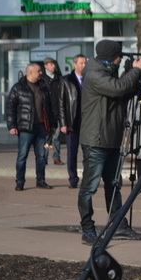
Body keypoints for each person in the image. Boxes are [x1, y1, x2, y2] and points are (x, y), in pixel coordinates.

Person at [78, 40, 141, 245]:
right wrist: (135, 71)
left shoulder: (107, 73)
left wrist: (135, 83)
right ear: (112, 57)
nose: (121, 60)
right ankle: (88, 229)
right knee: (89, 188)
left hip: (111, 139)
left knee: (113, 185)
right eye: (119, 56)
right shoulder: (94, 74)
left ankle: (118, 225)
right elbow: (117, 88)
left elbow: (120, 95)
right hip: (96, 140)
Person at [7, 63, 56, 191]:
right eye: (39, 71)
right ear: (30, 73)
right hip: (25, 128)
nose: (41, 73)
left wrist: (53, 124)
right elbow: (10, 107)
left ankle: (41, 180)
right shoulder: (18, 88)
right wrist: (12, 125)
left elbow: (49, 108)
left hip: (41, 127)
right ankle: (20, 181)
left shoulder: (43, 87)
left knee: (41, 156)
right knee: (22, 155)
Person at [58, 54, 86, 189]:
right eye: (81, 63)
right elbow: (61, 103)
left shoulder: (90, 79)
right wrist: (63, 122)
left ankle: (88, 178)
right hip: (72, 120)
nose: (84, 65)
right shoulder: (66, 80)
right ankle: (73, 178)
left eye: (85, 63)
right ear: (75, 64)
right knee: (72, 152)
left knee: (88, 152)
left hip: (87, 121)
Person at [41, 57, 63, 165]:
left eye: (54, 64)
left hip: (57, 111)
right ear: (45, 66)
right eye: (51, 64)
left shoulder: (59, 78)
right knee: (46, 136)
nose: (53, 66)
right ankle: (44, 158)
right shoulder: (42, 78)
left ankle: (56, 157)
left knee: (56, 136)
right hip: (45, 112)